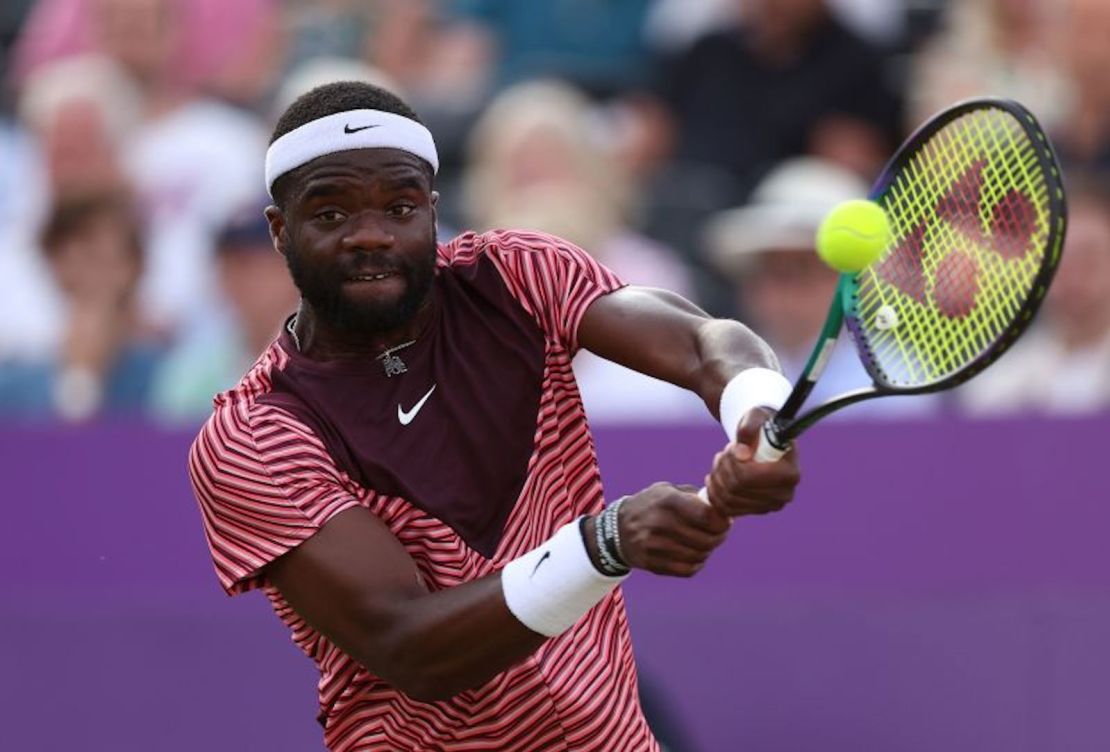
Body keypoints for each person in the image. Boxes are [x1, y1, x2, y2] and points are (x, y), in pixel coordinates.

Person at [187, 81, 801, 751]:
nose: (370, 235)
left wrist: (758, 413)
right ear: (281, 230)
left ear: (433, 208)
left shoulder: (517, 276)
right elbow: (409, 645)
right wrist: (606, 543)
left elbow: (703, 341)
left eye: (399, 206)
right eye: (331, 215)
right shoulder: (254, 432)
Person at [705, 157, 939, 418]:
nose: (785, 290)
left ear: (848, 282)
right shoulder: (720, 375)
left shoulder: (897, 378)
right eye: (771, 270)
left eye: (803, 270)